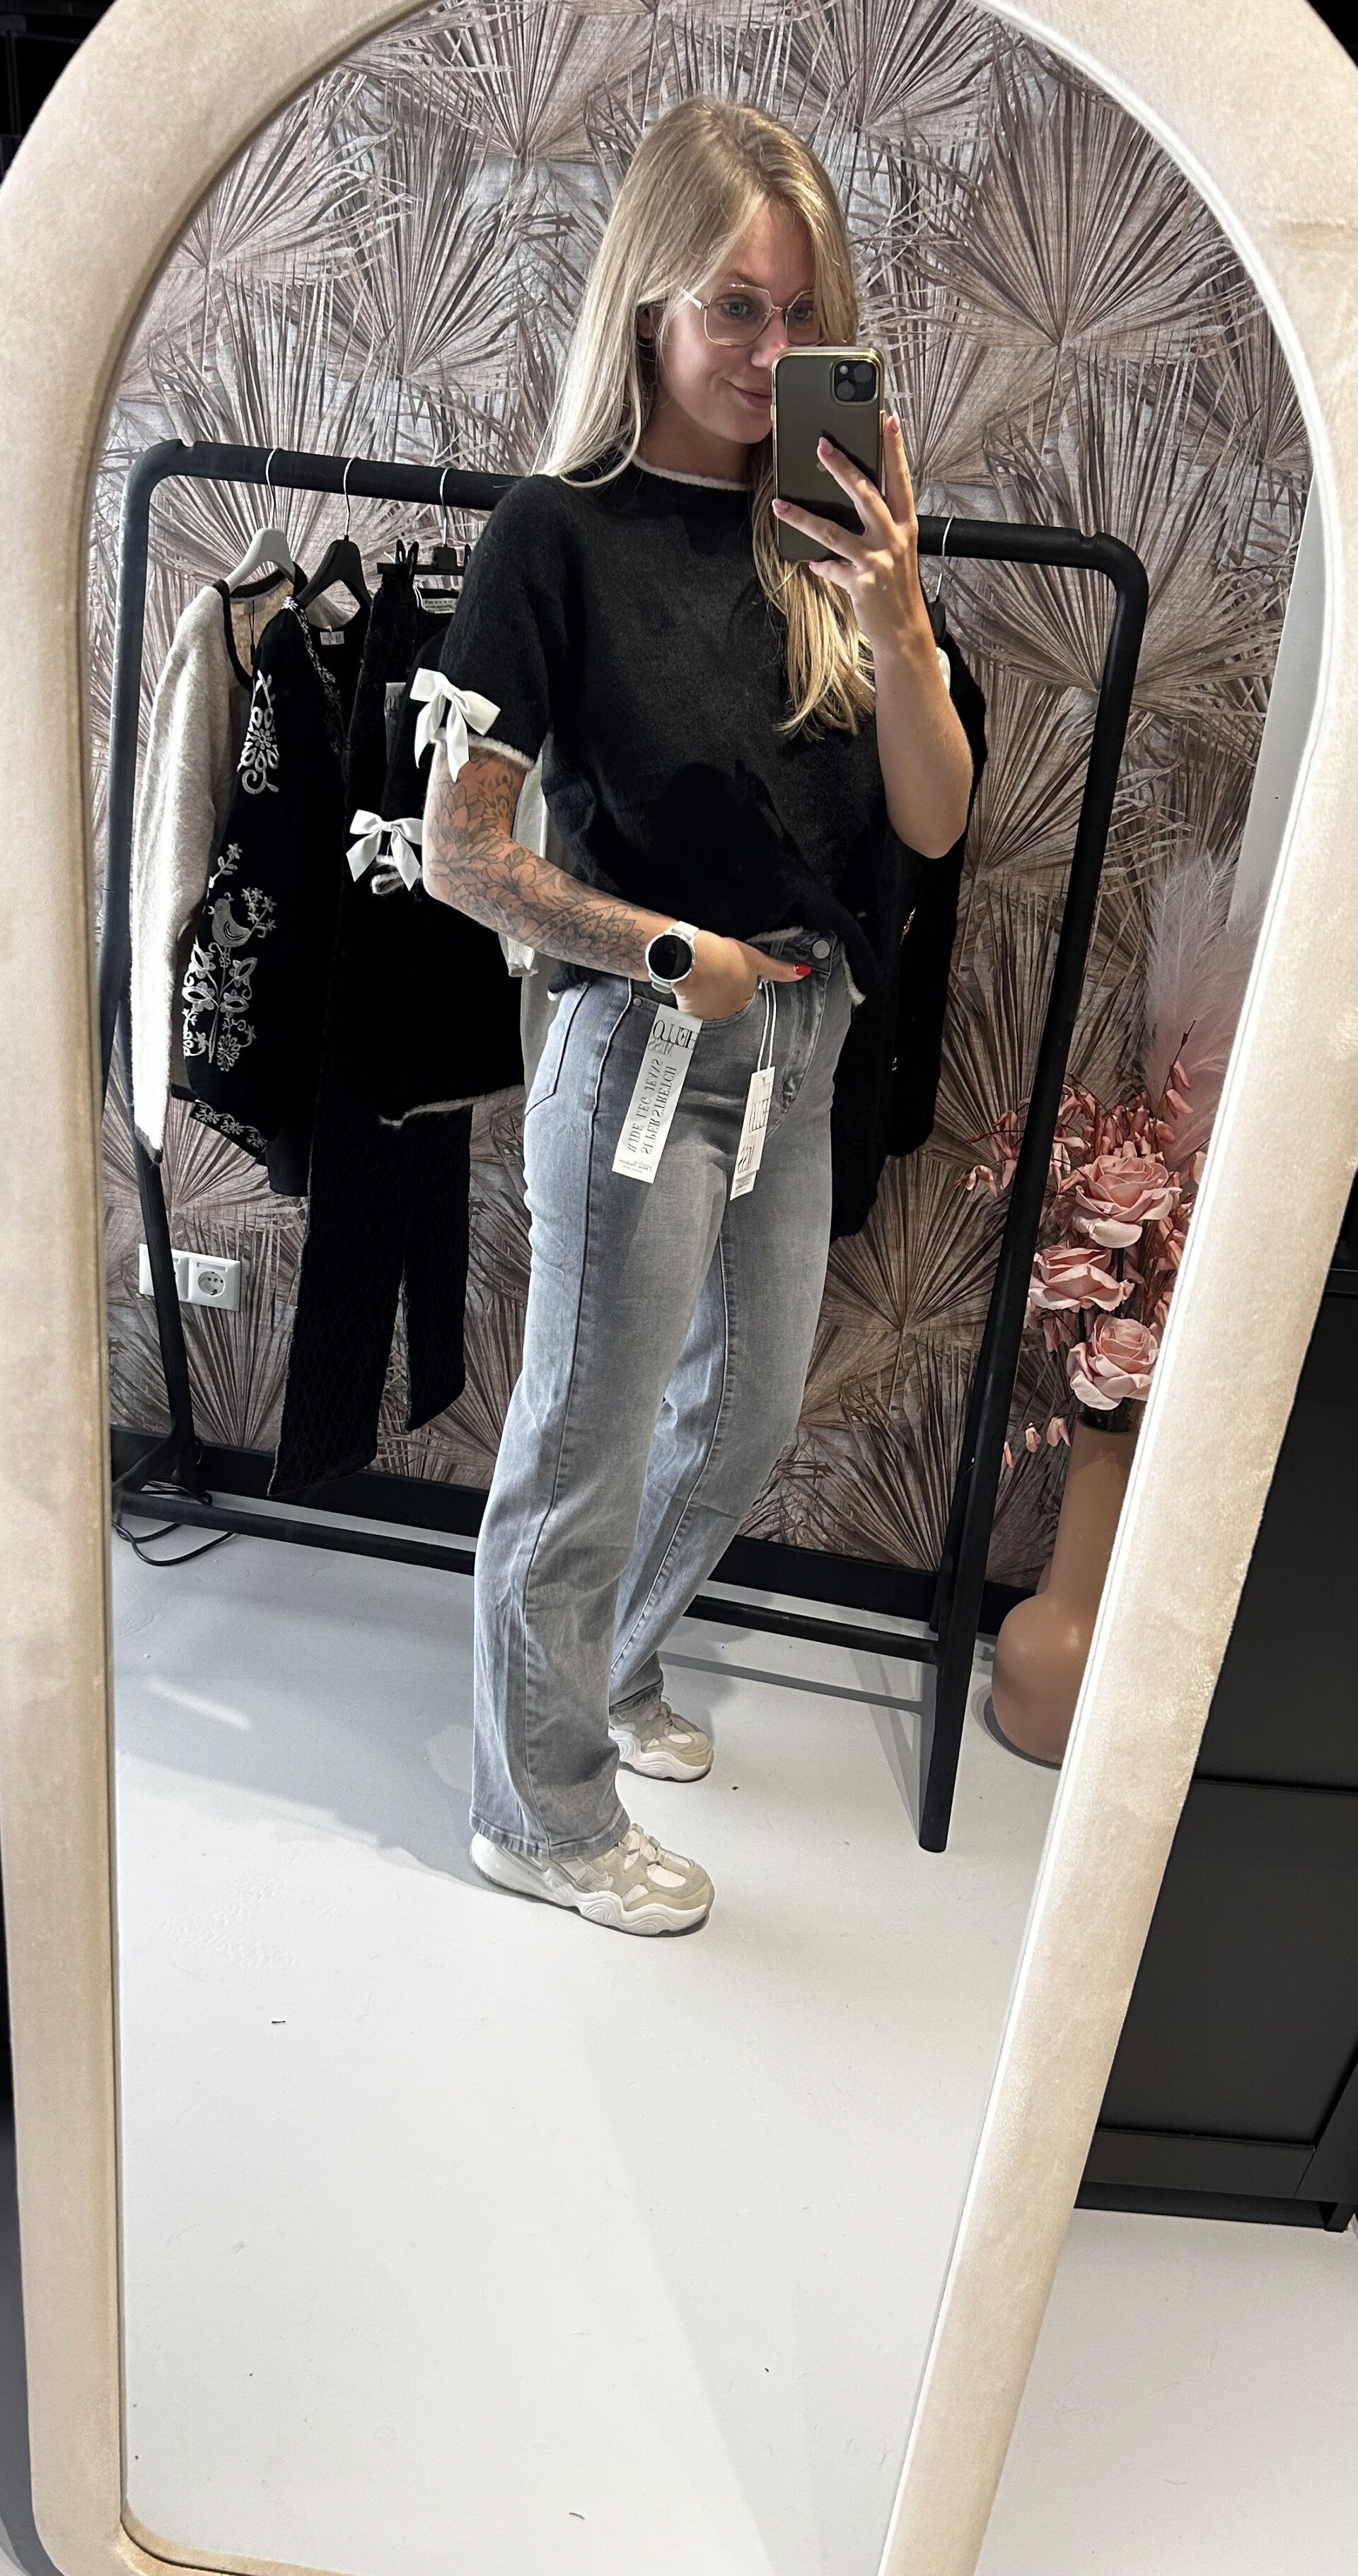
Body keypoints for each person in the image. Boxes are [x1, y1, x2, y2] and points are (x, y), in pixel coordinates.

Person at [421, 95, 976, 1936]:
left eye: (800, 315)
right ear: (650, 297)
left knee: (739, 1428)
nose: (764, 350)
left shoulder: (827, 535)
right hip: (646, 1048)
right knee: (581, 1446)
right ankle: (538, 1809)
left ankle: (607, 1667)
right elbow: (460, 856)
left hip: (806, 1048)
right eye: (733, 306)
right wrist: (669, 951)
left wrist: (897, 616)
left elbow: (934, 823)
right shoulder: (553, 537)